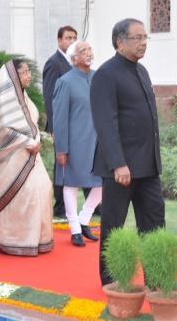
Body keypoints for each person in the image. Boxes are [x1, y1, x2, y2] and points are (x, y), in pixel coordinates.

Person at [91, 19, 168, 287]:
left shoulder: (142, 71)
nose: (143, 42)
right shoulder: (105, 74)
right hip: (121, 168)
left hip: (148, 166)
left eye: (145, 37)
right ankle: (111, 280)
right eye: (137, 37)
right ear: (119, 42)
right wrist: (118, 163)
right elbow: (105, 123)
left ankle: (157, 278)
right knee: (114, 226)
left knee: (155, 223)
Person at [0, 58, 53, 256]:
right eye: (24, 73)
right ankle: (16, 241)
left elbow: (32, 125)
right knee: (26, 195)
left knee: (44, 190)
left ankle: (40, 240)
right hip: (14, 158)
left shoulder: (24, 96)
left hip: (32, 156)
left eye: (28, 72)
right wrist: (27, 143)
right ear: (14, 76)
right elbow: (3, 131)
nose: (28, 76)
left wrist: (37, 140)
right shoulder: (5, 99)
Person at [53, 40, 102, 247]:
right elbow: (59, 117)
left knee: (103, 183)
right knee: (71, 183)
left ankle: (84, 220)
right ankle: (74, 229)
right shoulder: (65, 81)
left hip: (98, 141)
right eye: (83, 51)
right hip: (75, 142)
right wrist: (62, 148)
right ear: (74, 59)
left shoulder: (98, 78)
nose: (89, 53)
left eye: (90, 49)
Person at [42, 26, 77, 218]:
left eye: (74, 38)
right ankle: (60, 206)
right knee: (62, 164)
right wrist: (54, 127)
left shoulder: (75, 63)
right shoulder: (54, 63)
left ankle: (95, 204)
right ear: (59, 41)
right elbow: (49, 97)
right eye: (68, 38)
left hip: (78, 123)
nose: (71, 41)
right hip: (61, 124)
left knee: (84, 160)